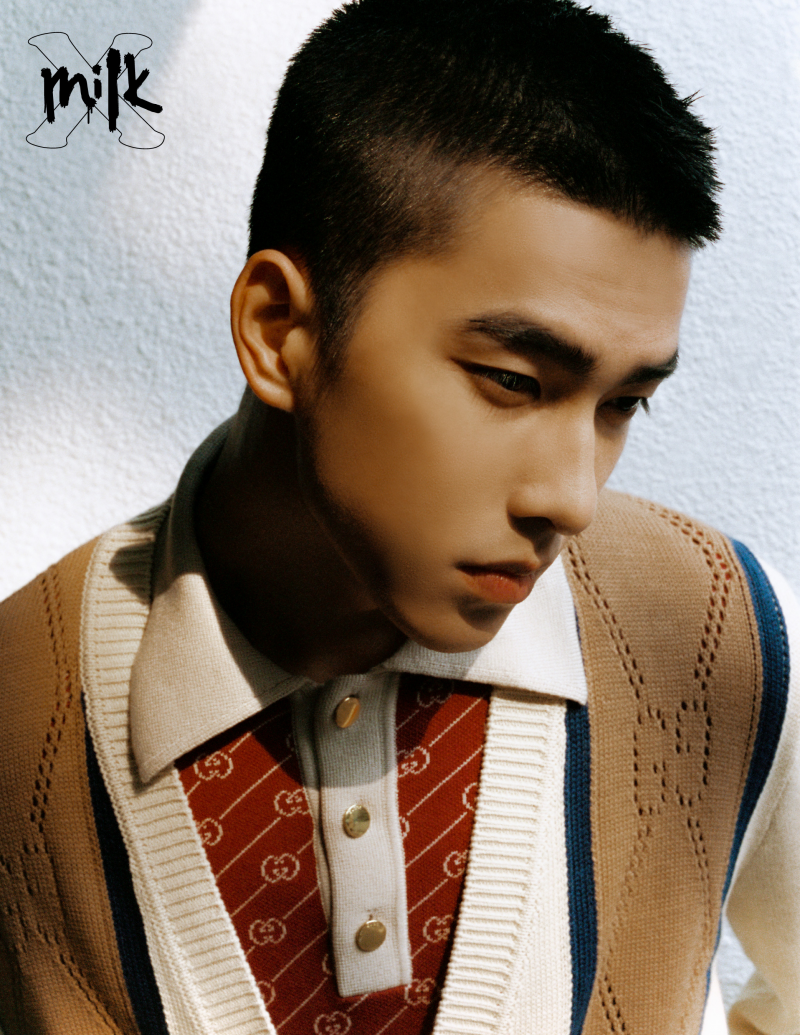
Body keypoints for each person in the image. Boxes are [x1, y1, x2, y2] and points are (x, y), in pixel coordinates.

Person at [0, 0, 797, 1032]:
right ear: (278, 330)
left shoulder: (720, 633)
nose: (571, 497)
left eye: (622, 403)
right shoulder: (21, 708)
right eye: (511, 381)